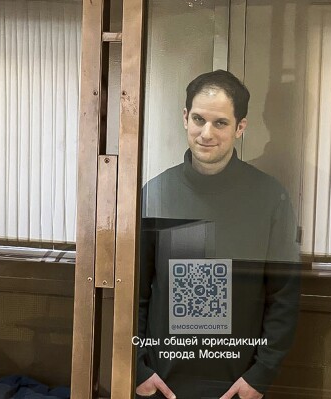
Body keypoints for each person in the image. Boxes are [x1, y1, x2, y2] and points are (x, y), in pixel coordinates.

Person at [136, 70, 300, 399]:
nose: (206, 133)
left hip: (237, 384)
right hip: (163, 382)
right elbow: (135, 291)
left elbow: (283, 296)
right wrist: (138, 368)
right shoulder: (156, 193)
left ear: (241, 127)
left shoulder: (270, 197)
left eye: (221, 123)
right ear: (185, 118)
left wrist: (260, 376)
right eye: (198, 119)